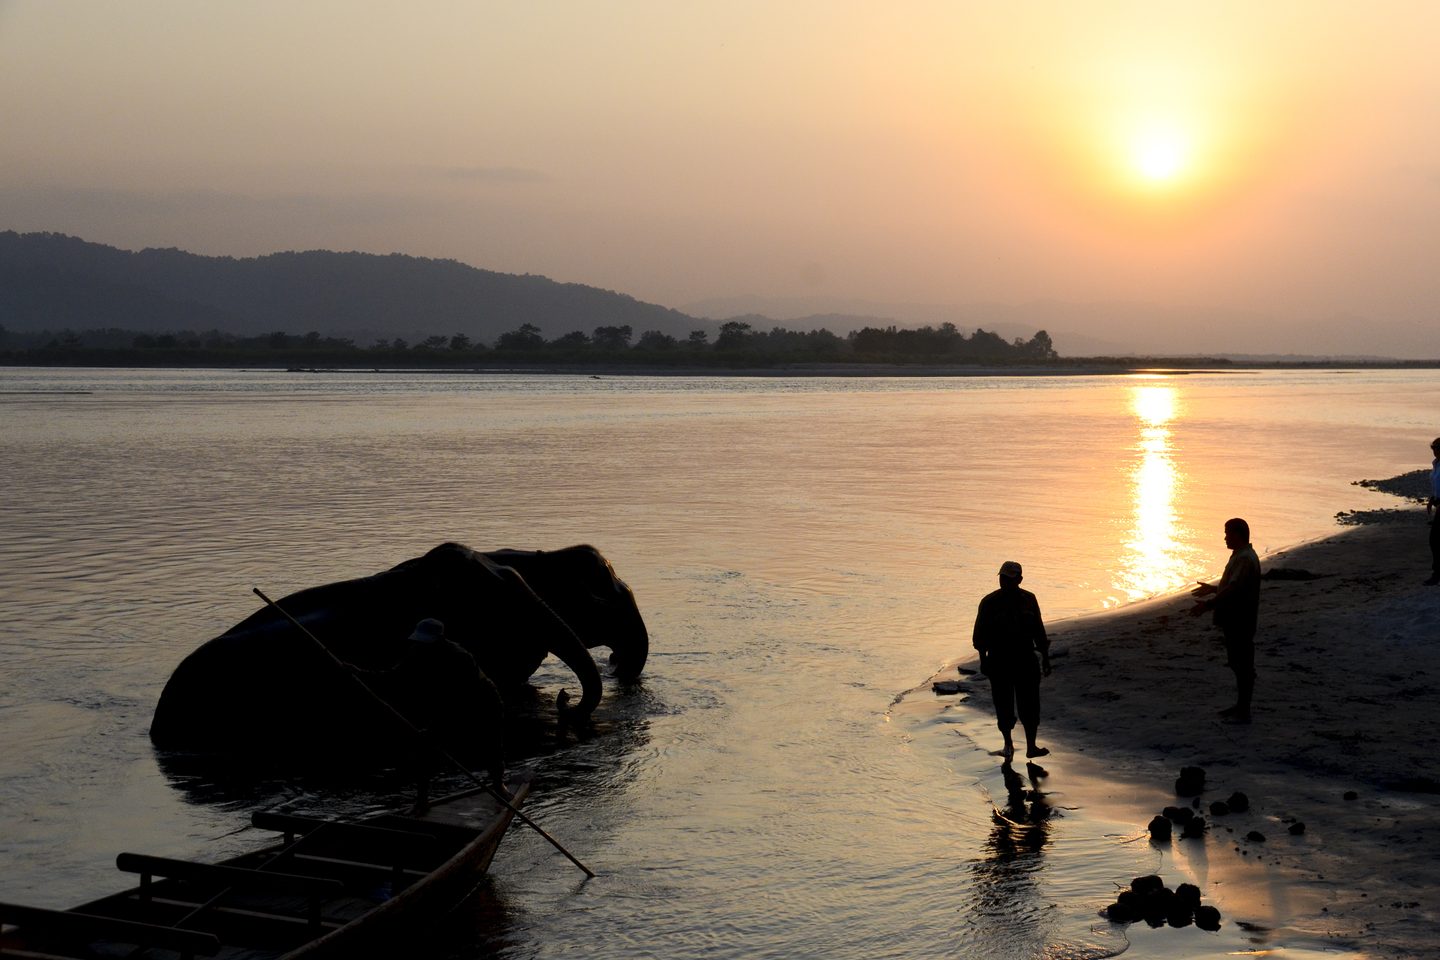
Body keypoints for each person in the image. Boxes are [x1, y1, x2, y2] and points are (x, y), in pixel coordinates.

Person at [972, 560, 1052, 761]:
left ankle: (1031, 746)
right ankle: (1008, 743)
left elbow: (1038, 630)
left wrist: (1045, 658)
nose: (1004, 581)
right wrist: (983, 660)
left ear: (1019, 579)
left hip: (1025, 658)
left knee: (1030, 704)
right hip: (999, 660)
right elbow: (980, 635)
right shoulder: (989, 602)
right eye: (1002, 577)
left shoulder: (1029, 599)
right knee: (1003, 703)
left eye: (1009, 578)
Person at [1190, 518, 1261, 722]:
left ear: (1238, 535)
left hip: (1240, 619)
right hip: (1237, 619)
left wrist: (1208, 605)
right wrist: (1213, 589)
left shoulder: (1245, 558)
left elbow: (1234, 588)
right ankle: (1241, 706)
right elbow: (1233, 584)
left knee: (1242, 665)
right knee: (1238, 663)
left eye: (1227, 533)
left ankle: (1243, 711)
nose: (1225, 537)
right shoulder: (1240, 556)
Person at [1426, 437, 1440, 586]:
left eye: (1437, 448)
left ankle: (1437, 574)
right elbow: (1437, 485)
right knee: (1435, 540)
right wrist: (1432, 499)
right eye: (1434, 448)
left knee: (1435, 540)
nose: (1435, 452)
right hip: (1438, 504)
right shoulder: (1436, 464)